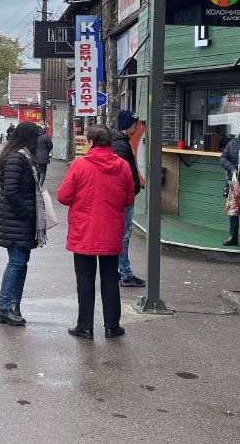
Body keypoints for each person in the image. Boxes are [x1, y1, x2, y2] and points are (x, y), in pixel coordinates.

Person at [58, 124, 134, 341]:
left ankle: (85, 326)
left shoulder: (80, 165)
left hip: (85, 231)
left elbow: (63, 196)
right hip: (111, 229)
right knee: (110, 278)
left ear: (90, 142)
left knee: (85, 279)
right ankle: (112, 326)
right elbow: (129, 197)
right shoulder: (123, 166)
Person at [0, 122, 43, 326]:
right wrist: (28, 213)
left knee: (21, 263)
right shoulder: (17, 158)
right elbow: (10, 192)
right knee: (16, 262)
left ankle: (14, 304)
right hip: (16, 220)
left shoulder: (22, 156)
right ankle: (5, 307)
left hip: (18, 220)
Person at [111, 110, 146, 288]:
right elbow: (120, 176)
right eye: (135, 124)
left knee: (121, 236)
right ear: (128, 125)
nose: (137, 127)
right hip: (124, 200)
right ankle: (125, 274)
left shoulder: (120, 142)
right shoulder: (120, 145)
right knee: (123, 236)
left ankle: (119, 271)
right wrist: (132, 188)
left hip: (124, 197)